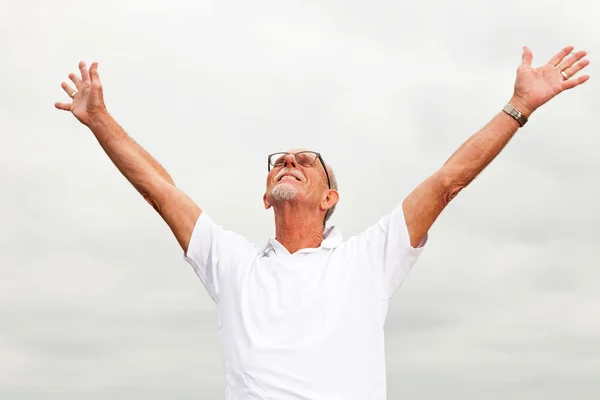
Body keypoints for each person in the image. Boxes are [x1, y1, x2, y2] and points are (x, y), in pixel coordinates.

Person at [55, 46, 589, 400]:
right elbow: (159, 189)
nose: (289, 162)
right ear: (267, 196)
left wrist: (519, 105)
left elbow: (449, 179)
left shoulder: (369, 258)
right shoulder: (234, 263)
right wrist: (99, 119)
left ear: (329, 196)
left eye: (305, 160)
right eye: (279, 161)